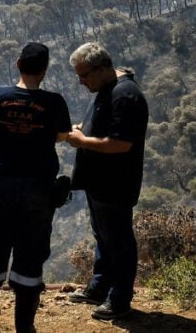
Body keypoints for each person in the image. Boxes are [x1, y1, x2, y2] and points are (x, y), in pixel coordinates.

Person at [0, 42, 72, 333]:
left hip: (0, 187)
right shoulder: (54, 102)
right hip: (38, 190)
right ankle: (24, 327)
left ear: (17, 63)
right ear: (45, 69)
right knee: (31, 255)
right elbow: (62, 135)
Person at [66, 42, 149, 322]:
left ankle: (119, 299)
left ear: (101, 69)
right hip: (99, 182)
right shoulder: (105, 88)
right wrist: (82, 129)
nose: (81, 81)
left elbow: (121, 143)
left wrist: (82, 141)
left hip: (115, 183)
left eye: (84, 75)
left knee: (119, 241)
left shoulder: (125, 94)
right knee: (103, 236)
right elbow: (104, 125)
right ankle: (100, 288)